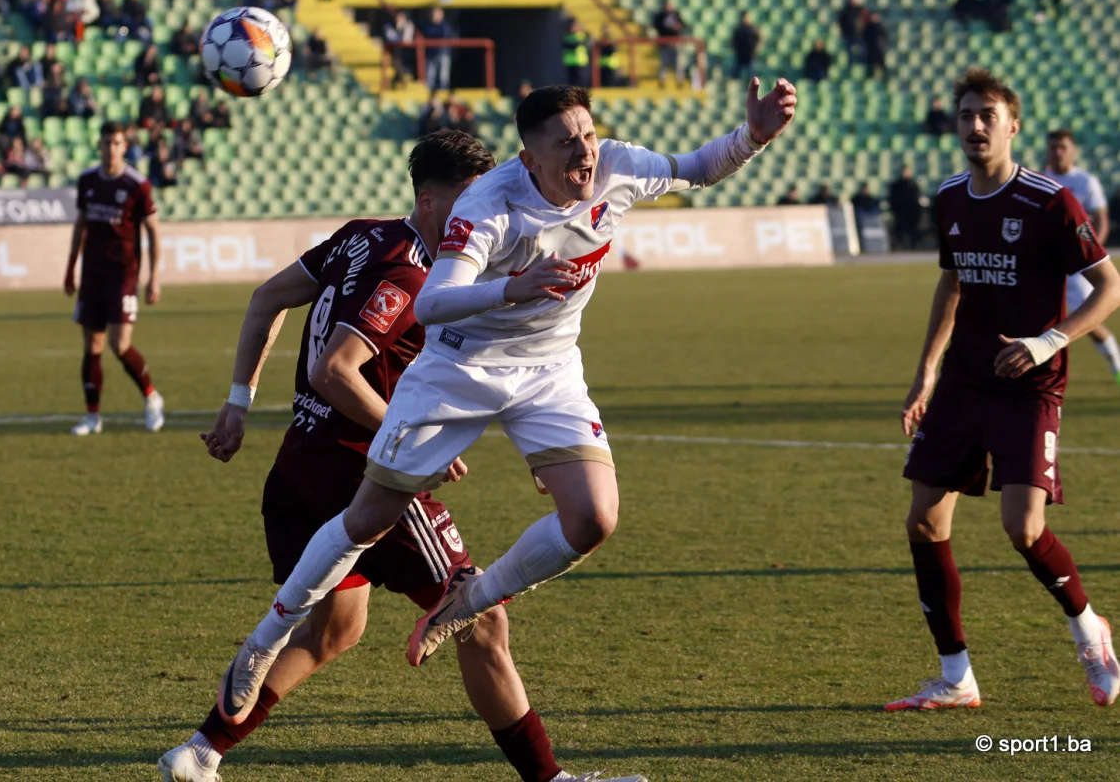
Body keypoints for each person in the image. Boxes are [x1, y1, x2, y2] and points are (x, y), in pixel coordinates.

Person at [213, 80, 797, 724]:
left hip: (549, 370)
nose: (585, 151)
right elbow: (432, 304)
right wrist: (511, 290)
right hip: (461, 364)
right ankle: (266, 639)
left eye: (588, 134)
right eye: (566, 142)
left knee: (593, 519)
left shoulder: (619, 166)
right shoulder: (487, 205)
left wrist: (754, 137)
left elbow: (698, 169)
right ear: (530, 159)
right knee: (366, 519)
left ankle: (467, 600)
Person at [161, 131, 644, 782]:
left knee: (337, 628)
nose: (483, 217)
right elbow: (338, 369)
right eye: (466, 201)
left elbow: (266, 299)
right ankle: (550, 780)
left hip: (300, 465)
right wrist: (416, 438)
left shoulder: (360, 235)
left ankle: (200, 752)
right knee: (479, 618)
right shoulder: (411, 270)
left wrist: (238, 401)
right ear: (427, 200)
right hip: (361, 473)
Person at [890, 67, 1120, 713]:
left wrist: (1048, 341)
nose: (974, 126)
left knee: (1021, 527)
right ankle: (955, 677)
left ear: (1012, 125)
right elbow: (950, 284)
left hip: (1030, 383)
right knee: (924, 521)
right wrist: (925, 371)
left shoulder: (1050, 202)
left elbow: (1109, 288)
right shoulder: (949, 197)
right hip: (962, 380)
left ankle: (1088, 628)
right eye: (965, 115)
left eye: (987, 115)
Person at [64, 122, 164, 436]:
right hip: (92, 276)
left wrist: (154, 277)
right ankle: (92, 417)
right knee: (92, 347)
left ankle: (151, 398)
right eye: (106, 142)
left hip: (123, 276)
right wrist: (70, 268)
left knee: (120, 345)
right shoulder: (87, 181)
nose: (111, 148)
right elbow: (80, 225)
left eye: (117, 143)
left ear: (124, 147)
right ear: (100, 146)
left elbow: (153, 231)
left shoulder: (137, 185)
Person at [1043, 128, 1120, 383]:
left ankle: (1115, 362)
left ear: (1073, 150)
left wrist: (1091, 254)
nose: (1058, 152)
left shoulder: (1086, 182)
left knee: (1087, 322)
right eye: (1054, 147)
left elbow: (1101, 219)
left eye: (1063, 147)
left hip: (1077, 267)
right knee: (1037, 320)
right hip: (1047, 265)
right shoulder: (1042, 180)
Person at [887, 167, 924, 249]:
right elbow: (892, 199)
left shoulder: (914, 184)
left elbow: (918, 197)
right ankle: (897, 247)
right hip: (900, 212)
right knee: (899, 231)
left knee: (913, 230)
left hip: (913, 212)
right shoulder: (896, 185)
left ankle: (914, 247)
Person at [651, 0, 685, 85]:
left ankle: (679, 81)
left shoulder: (676, 15)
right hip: (664, 43)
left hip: (675, 43)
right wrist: (669, 28)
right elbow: (658, 26)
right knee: (664, 63)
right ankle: (662, 81)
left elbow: (682, 25)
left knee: (678, 63)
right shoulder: (660, 16)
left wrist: (678, 27)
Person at [423, 8, 453, 91]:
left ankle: (443, 90)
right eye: (434, 14)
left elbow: (444, 35)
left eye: (438, 14)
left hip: (443, 53)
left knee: (443, 75)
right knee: (430, 74)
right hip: (431, 53)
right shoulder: (428, 25)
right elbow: (427, 35)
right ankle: (429, 90)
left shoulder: (445, 25)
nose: (435, 16)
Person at [383, 10, 415, 87]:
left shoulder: (409, 25)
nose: (400, 19)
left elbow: (407, 40)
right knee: (396, 60)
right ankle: (402, 79)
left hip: (405, 52)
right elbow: (392, 38)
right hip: (392, 52)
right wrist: (399, 29)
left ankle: (399, 80)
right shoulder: (389, 26)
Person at [837, 0, 865, 65]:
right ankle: (851, 66)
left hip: (860, 34)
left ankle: (861, 65)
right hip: (848, 34)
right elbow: (841, 22)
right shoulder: (845, 10)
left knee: (862, 50)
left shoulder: (861, 10)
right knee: (849, 51)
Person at [731, 12, 761, 80]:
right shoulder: (738, 29)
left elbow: (759, 39)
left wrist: (756, 48)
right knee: (736, 75)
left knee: (752, 74)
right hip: (740, 54)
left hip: (751, 54)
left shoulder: (753, 29)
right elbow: (734, 41)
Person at [562, 19, 590, 89]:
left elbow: (578, 44)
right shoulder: (567, 37)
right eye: (572, 27)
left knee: (580, 80)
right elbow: (568, 45)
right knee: (571, 80)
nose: (573, 29)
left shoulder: (582, 36)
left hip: (580, 62)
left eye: (575, 27)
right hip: (570, 62)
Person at [862, 11, 887, 80]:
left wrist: (882, 44)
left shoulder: (880, 27)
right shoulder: (868, 27)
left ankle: (882, 77)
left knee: (880, 63)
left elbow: (884, 37)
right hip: (871, 49)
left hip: (879, 48)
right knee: (871, 64)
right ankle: (870, 76)